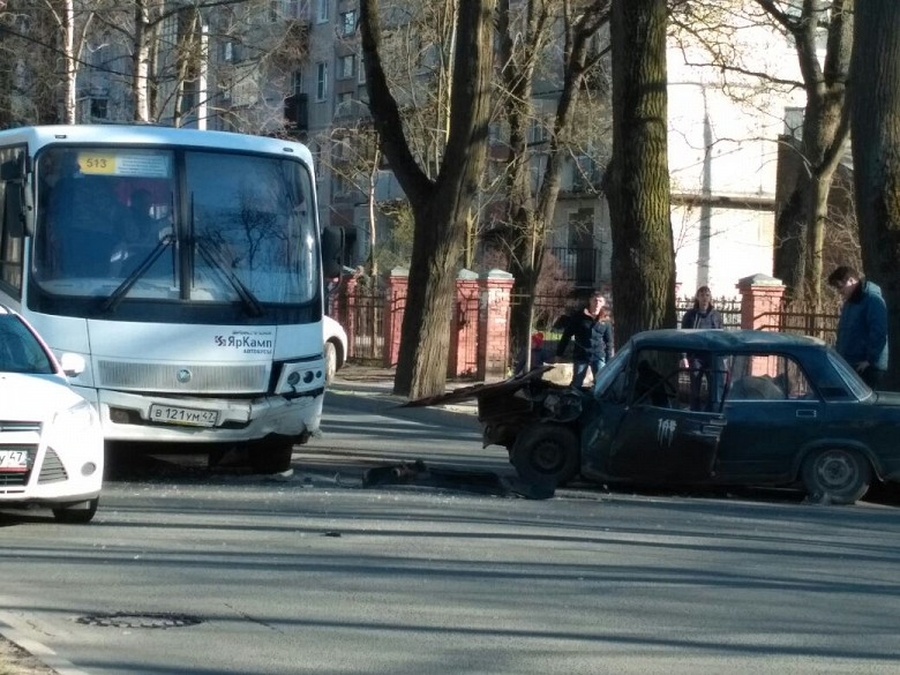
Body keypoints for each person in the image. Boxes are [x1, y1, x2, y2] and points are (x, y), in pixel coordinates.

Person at [827, 265, 888, 389]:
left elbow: (879, 332)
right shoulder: (850, 303)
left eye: (840, 286)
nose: (839, 291)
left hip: (866, 369)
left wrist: (871, 360)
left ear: (851, 280)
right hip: (852, 366)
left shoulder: (873, 300)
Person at [555, 291, 614, 388]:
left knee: (602, 383)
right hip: (581, 355)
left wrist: (608, 360)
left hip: (598, 356)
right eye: (595, 300)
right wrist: (559, 354)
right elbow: (566, 335)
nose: (597, 303)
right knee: (577, 383)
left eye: (600, 301)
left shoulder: (605, 320)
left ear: (603, 303)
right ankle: (574, 400)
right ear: (590, 301)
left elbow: (609, 342)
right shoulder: (579, 317)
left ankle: (597, 402)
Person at [681, 286, 724, 410]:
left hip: (712, 356)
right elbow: (683, 337)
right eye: (702, 295)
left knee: (713, 388)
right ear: (697, 297)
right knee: (695, 389)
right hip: (696, 357)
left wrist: (723, 358)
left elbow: (721, 336)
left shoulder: (716, 316)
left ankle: (711, 413)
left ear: (710, 298)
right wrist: (684, 357)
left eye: (707, 295)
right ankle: (695, 412)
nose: (705, 298)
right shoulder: (690, 316)